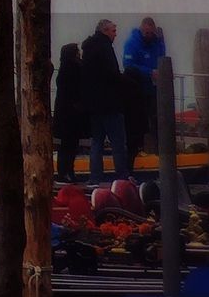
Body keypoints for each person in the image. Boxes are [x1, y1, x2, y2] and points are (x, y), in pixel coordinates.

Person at [81, 18, 129, 180]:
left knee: (96, 143)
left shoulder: (88, 48)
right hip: (110, 103)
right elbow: (112, 74)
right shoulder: (105, 47)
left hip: (94, 105)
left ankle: (95, 177)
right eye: (113, 31)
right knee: (118, 143)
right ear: (105, 31)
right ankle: (122, 175)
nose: (115, 34)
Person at [122, 17, 166, 152]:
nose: (148, 35)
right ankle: (140, 148)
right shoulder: (132, 43)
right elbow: (128, 65)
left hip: (154, 88)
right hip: (138, 88)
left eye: (151, 33)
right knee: (140, 120)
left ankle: (160, 147)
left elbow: (162, 57)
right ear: (141, 30)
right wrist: (149, 72)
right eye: (146, 33)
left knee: (157, 118)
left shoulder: (156, 42)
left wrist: (161, 41)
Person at [52, 42, 88, 182]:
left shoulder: (64, 69)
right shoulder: (73, 68)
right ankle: (67, 171)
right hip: (71, 113)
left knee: (66, 145)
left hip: (66, 113)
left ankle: (65, 171)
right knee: (70, 145)